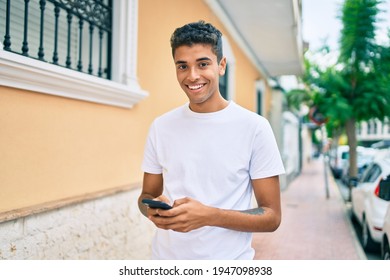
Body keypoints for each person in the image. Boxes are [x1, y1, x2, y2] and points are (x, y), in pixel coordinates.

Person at [138, 20, 285, 260]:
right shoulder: (160, 126)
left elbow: (272, 217)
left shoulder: (255, 128)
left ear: (221, 65)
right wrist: (151, 209)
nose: (192, 76)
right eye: (182, 66)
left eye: (203, 64)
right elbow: (146, 196)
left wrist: (209, 216)